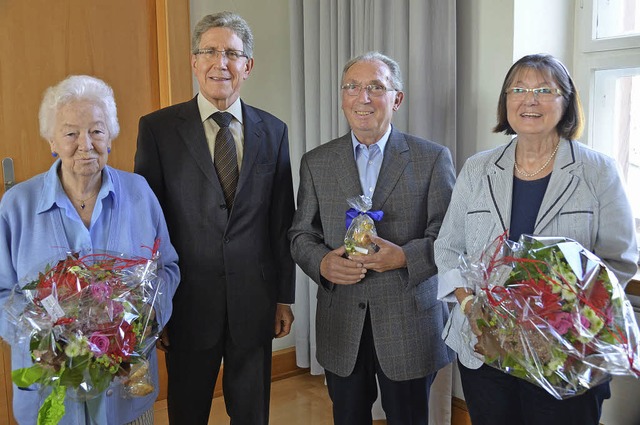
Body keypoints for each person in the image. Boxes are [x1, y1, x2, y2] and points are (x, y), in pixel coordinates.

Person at [435, 53, 639, 425]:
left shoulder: (597, 171)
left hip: (565, 353)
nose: (530, 99)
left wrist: (557, 322)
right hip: (486, 347)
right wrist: (470, 309)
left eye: (545, 90)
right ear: (506, 101)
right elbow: (448, 248)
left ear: (566, 102)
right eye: (519, 89)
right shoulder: (478, 168)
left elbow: (619, 261)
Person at [134, 11, 295, 425]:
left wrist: (283, 297)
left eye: (231, 53)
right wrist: (155, 305)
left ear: (248, 65)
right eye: (209, 51)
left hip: (253, 302)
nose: (219, 62)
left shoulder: (273, 131)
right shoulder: (158, 129)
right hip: (187, 303)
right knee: (187, 412)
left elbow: (282, 219)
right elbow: (146, 225)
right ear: (193, 60)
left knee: (252, 413)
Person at [0, 75, 180, 424]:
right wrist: (41, 340)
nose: (86, 144)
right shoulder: (16, 206)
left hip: (127, 391)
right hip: (50, 395)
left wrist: (143, 318)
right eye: (70, 133)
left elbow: (167, 267)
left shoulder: (139, 193)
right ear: (52, 140)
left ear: (110, 136)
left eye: (97, 131)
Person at [288, 51, 456, 425]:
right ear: (342, 96)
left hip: (408, 324)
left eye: (375, 88)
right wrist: (322, 262)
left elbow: (449, 237)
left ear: (397, 99)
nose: (362, 97)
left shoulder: (432, 158)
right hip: (341, 323)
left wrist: (405, 257)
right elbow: (300, 233)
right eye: (352, 87)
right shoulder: (316, 162)